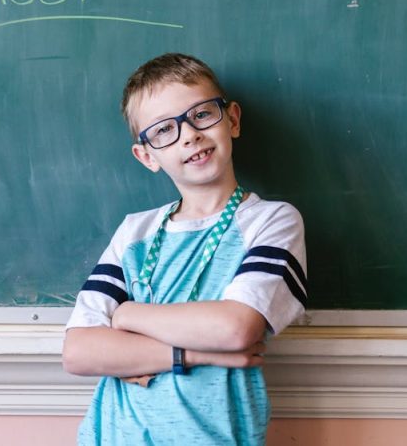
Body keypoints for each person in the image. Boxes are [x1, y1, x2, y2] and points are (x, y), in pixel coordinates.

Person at [62, 53, 307, 445]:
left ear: (232, 120)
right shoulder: (134, 233)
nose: (189, 135)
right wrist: (196, 354)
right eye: (163, 130)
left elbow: (235, 328)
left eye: (201, 114)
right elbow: (79, 351)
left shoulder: (272, 221)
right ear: (147, 156)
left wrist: (126, 315)